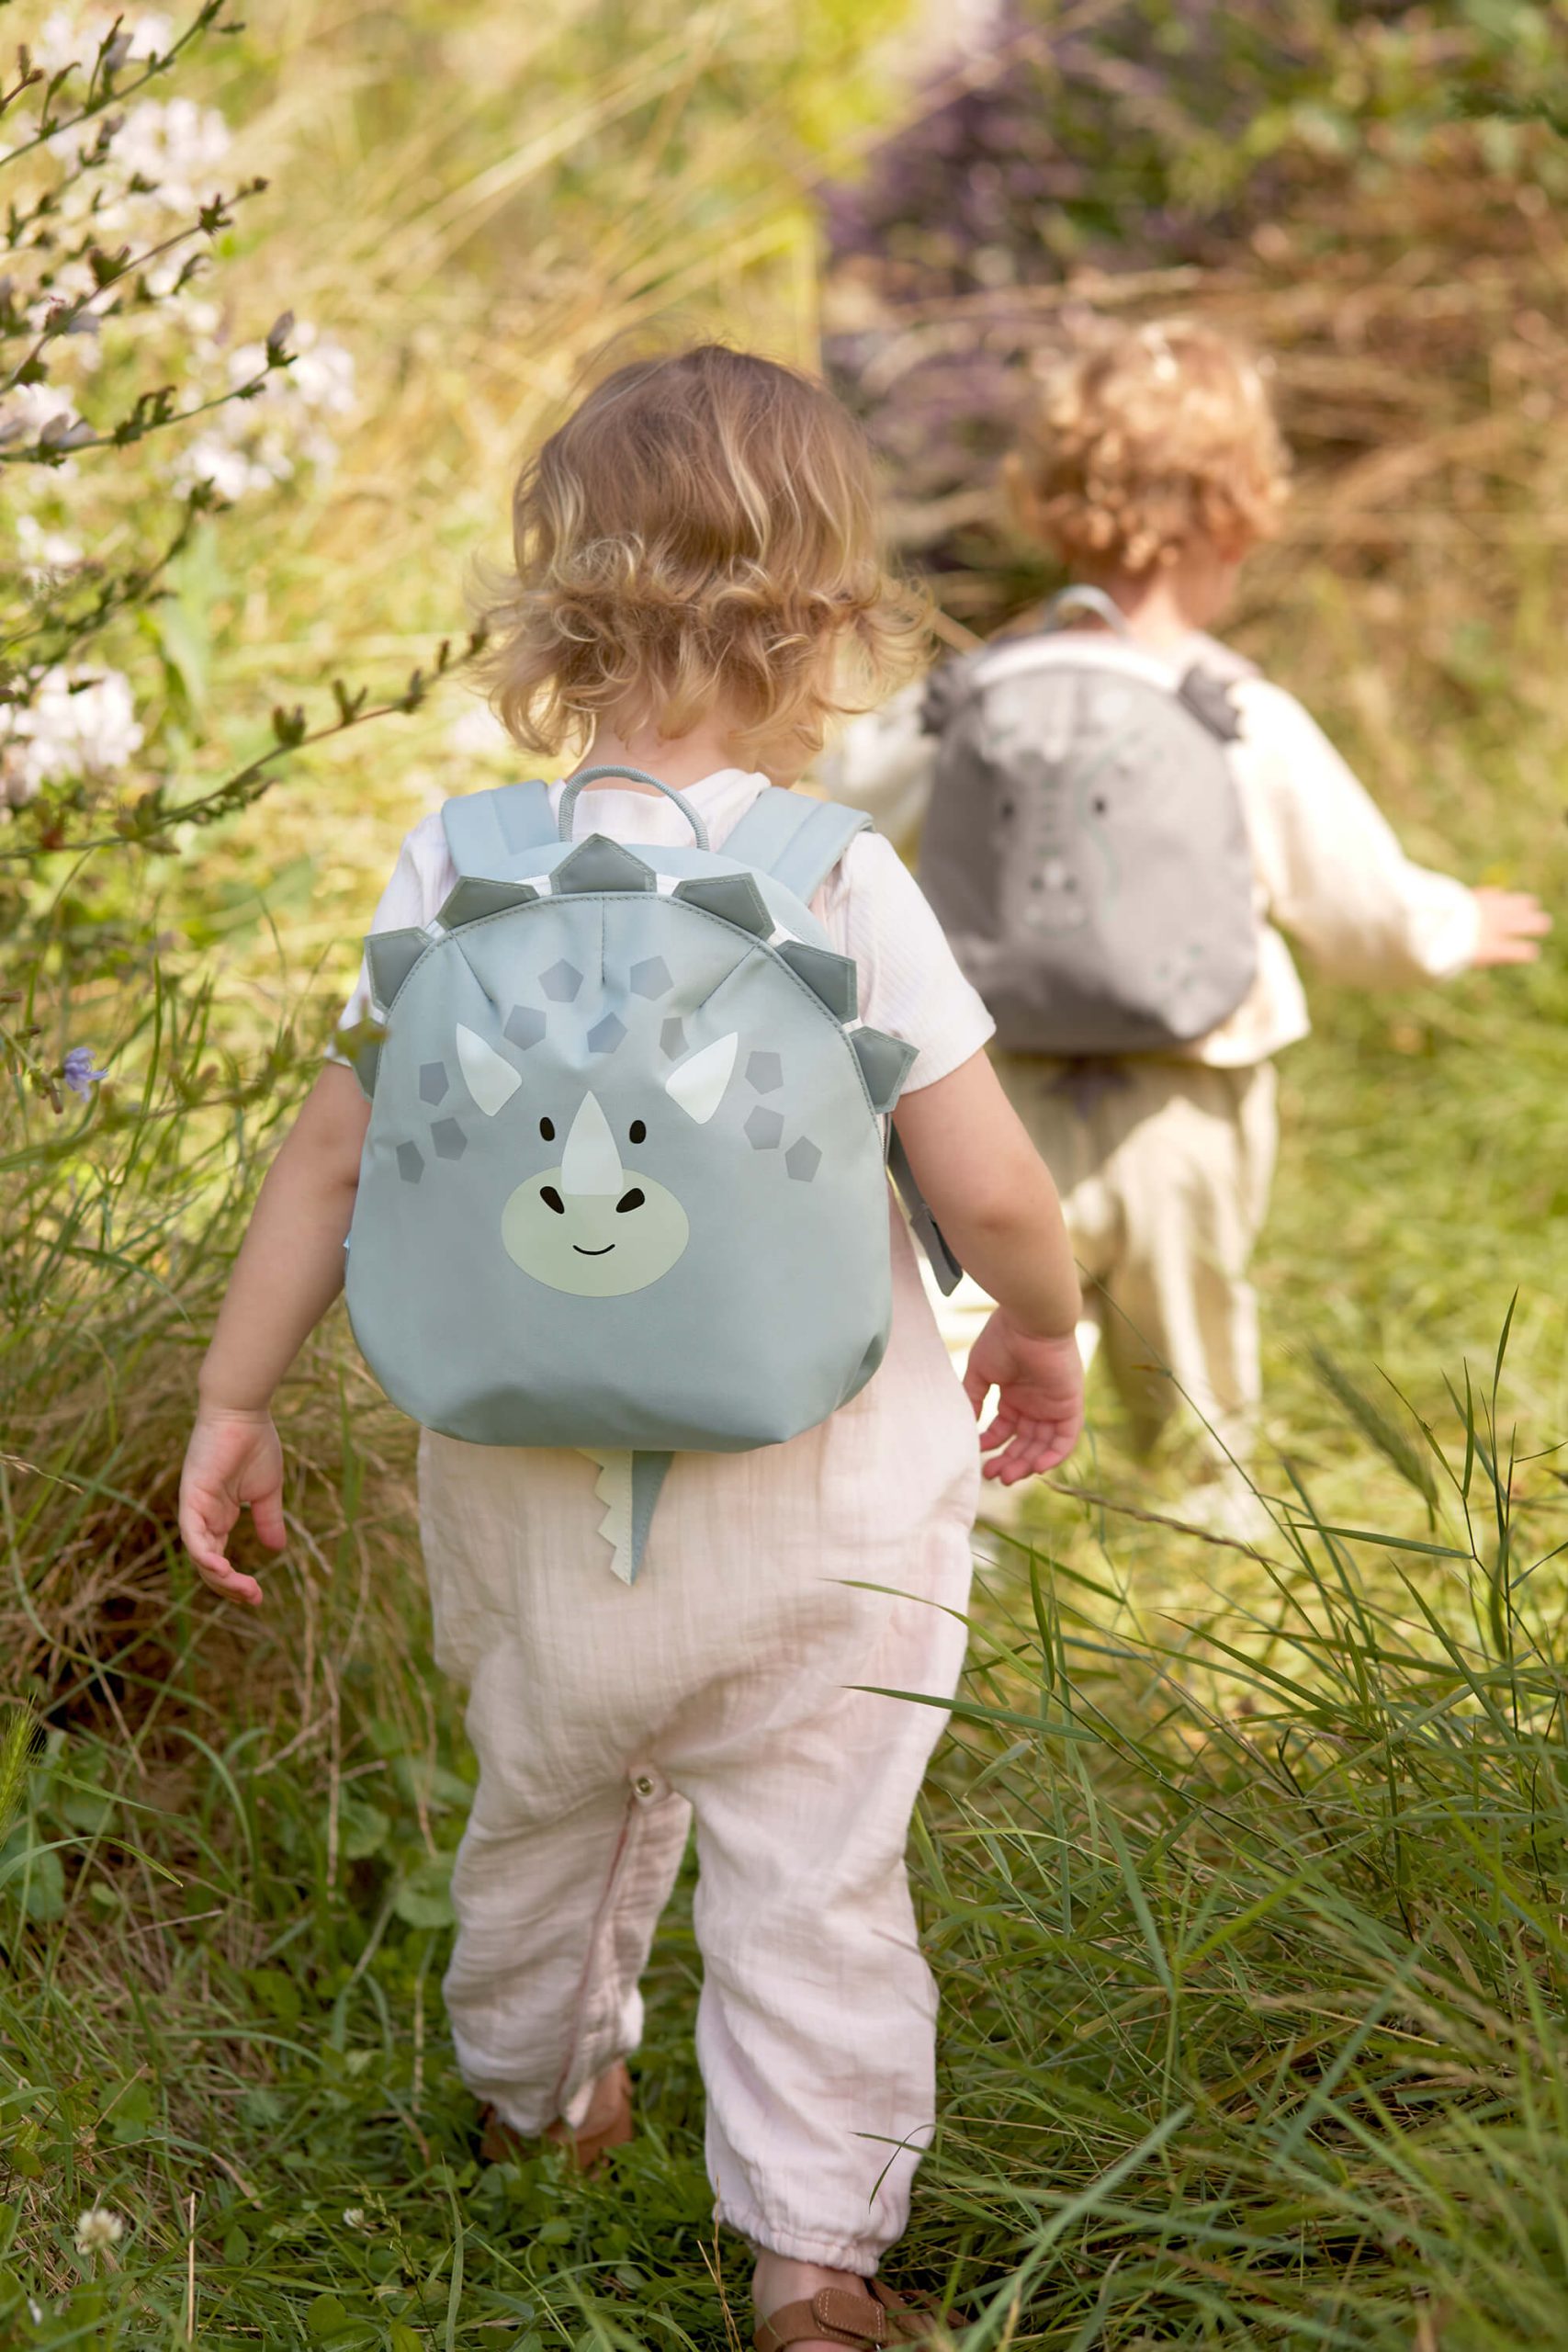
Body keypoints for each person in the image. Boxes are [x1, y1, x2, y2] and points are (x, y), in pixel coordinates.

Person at [176, 346, 1086, 2352]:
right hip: (822, 1497)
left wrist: (235, 1396)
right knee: (815, 1863)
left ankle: (540, 2104)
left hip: (518, 1479)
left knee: (543, 1806)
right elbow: (993, 1180)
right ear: (828, 613)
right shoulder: (834, 874)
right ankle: (812, 2262)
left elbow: (331, 1156)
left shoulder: (456, 860)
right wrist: (1038, 1320)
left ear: (549, 603)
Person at [821, 318, 1549, 1530]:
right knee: (1198, 1341)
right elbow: (1355, 899)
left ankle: (953, 1558)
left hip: (991, 1097)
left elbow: (832, 816)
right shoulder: (1235, 709)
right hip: (1193, 1095)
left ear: (1049, 506)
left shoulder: (970, 693)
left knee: (960, 1345)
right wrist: (1449, 926)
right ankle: (1217, 1547)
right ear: (1239, 515)